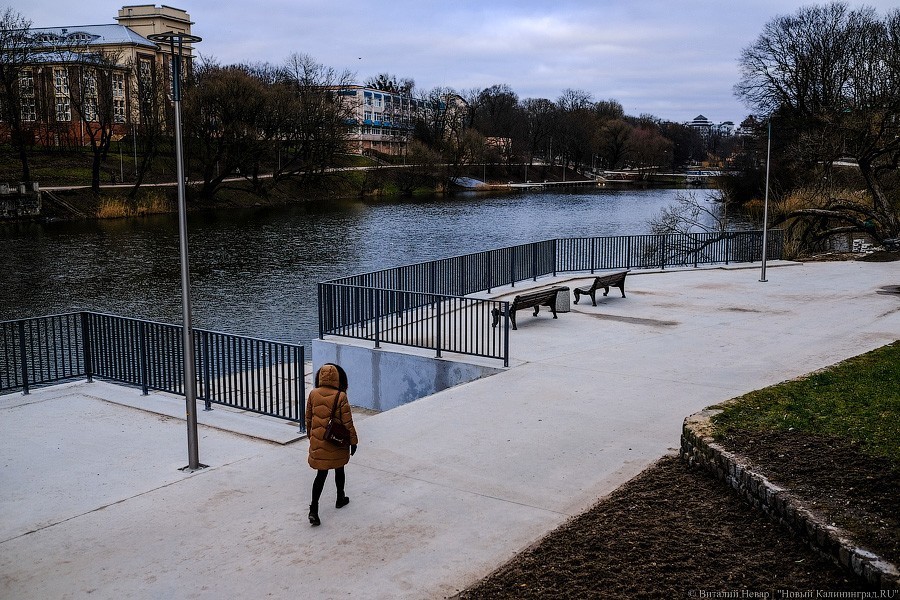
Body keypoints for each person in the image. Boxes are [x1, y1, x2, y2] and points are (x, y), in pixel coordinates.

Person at [305, 363, 358, 527]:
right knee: (339, 468)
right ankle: (340, 497)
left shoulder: (313, 394)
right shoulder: (340, 396)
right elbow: (348, 422)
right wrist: (354, 441)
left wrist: (311, 437)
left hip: (319, 440)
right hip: (336, 441)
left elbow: (308, 418)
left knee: (321, 475)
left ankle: (314, 509)